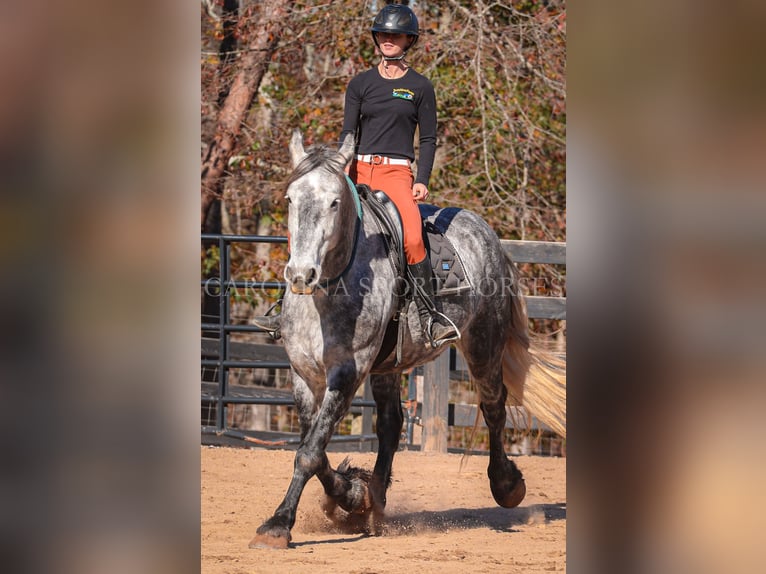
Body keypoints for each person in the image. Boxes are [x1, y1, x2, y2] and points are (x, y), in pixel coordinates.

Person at [254, 3, 458, 347]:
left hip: (396, 172)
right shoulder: (361, 84)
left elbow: (427, 137)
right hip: (357, 168)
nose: (388, 40)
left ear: (409, 40)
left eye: (395, 35)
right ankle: (284, 308)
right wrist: (339, 172)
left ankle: (429, 314)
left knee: (411, 236)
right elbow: (348, 134)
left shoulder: (420, 87)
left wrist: (421, 179)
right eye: (383, 34)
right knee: (307, 222)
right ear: (376, 39)